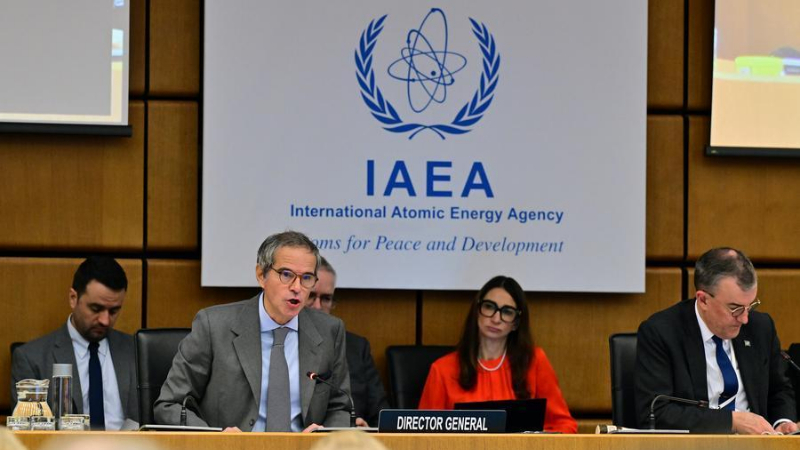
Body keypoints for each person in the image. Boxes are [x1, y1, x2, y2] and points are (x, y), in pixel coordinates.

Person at [154, 231, 351, 432]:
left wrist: (323, 437)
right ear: (261, 275)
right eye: (286, 274)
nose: (297, 287)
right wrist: (216, 439)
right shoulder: (214, 326)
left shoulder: (329, 331)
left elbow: (341, 407)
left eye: (306, 277)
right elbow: (170, 405)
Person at [635, 247, 799, 434]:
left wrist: (782, 421)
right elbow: (656, 413)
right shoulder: (662, 332)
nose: (744, 318)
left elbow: (779, 390)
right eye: (735, 308)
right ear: (703, 300)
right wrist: (732, 421)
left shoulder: (760, 327)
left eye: (751, 306)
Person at [418, 275, 577, 433]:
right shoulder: (442, 370)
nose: (496, 319)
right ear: (477, 311)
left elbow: (564, 426)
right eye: (489, 307)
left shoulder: (534, 361)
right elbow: (423, 435)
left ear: (516, 323)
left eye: (507, 312)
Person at [10, 256, 137, 430]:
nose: (105, 320)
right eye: (96, 309)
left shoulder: (137, 352)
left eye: (114, 311)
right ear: (73, 298)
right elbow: (28, 435)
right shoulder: (32, 359)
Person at [306, 257, 390, 427]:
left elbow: (381, 416)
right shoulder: (282, 342)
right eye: (311, 296)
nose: (317, 306)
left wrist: (368, 430)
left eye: (326, 298)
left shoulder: (356, 348)